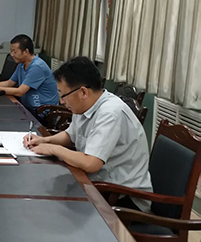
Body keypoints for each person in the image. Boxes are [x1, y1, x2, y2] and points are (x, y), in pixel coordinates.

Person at [23, 56, 153, 211]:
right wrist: (44, 141)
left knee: (50, 207)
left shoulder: (110, 113)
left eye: (63, 95)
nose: (61, 101)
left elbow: (91, 163)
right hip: (99, 183)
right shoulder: (84, 105)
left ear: (83, 92)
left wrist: (54, 149)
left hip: (123, 196)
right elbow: (71, 135)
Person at [0, 34, 59, 115]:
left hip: (41, 111)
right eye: (11, 51)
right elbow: (9, 83)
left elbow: (20, 92)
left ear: (26, 52)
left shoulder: (37, 66)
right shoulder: (21, 64)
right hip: (28, 107)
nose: (12, 55)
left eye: (15, 52)